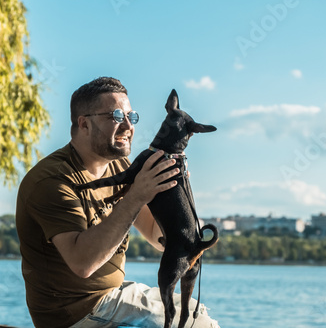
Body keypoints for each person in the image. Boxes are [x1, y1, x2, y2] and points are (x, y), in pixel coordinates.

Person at [16, 77, 219, 328]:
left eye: (131, 117)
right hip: (73, 314)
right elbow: (83, 263)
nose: (128, 126)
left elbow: (157, 236)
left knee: (202, 319)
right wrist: (136, 195)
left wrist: (178, 195)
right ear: (84, 124)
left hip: (112, 297)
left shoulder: (121, 167)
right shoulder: (53, 180)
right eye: (115, 116)